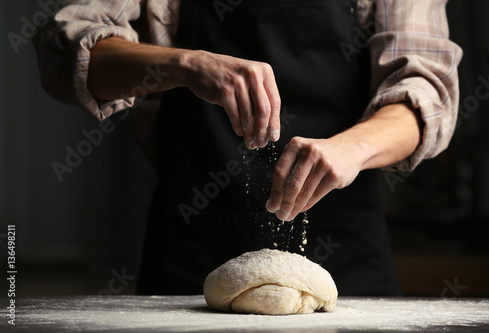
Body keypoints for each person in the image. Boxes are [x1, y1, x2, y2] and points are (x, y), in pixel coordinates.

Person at [34, 0, 462, 296]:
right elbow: (62, 52)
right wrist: (183, 63)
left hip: (348, 252)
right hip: (191, 249)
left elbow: (426, 87)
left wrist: (354, 147)